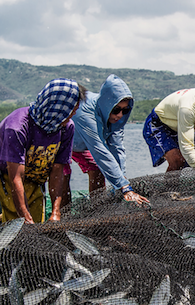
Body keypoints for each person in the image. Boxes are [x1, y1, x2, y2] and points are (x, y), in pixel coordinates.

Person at [0, 78, 87, 224]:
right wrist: (24, 216)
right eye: (71, 111)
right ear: (57, 107)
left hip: (30, 180)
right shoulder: (17, 126)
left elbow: (57, 172)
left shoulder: (66, 128)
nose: (73, 115)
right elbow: (15, 177)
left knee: (28, 235)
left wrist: (56, 212)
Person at [62, 74, 149, 206]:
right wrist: (124, 187)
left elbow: (117, 149)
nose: (120, 115)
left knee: (97, 169)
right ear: (107, 105)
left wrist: (121, 185)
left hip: (84, 145)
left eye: (125, 110)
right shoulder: (85, 112)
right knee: (61, 174)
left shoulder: (117, 119)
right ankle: (62, 215)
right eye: (116, 110)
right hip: (63, 142)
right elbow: (100, 152)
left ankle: (96, 208)